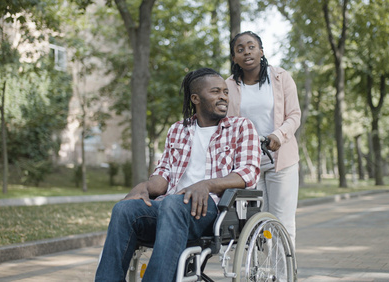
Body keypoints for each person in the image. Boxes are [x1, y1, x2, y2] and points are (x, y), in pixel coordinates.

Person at [95, 68, 261, 281]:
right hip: (169, 206)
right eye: (216, 92)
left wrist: (206, 185)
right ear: (195, 98)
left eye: (225, 92)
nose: (223, 97)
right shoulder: (178, 129)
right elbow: (163, 173)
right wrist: (145, 187)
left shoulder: (241, 126)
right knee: (124, 209)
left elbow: (248, 173)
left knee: (174, 203)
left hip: (211, 210)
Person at [226, 31, 301, 247]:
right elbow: (227, 124)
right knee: (254, 224)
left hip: (282, 160)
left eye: (251, 46)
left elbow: (294, 115)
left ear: (261, 51)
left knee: (282, 222)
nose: (246, 52)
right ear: (234, 58)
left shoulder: (280, 77)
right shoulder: (228, 85)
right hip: (248, 165)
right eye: (240, 49)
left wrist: (278, 135)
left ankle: (284, 275)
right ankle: (263, 273)